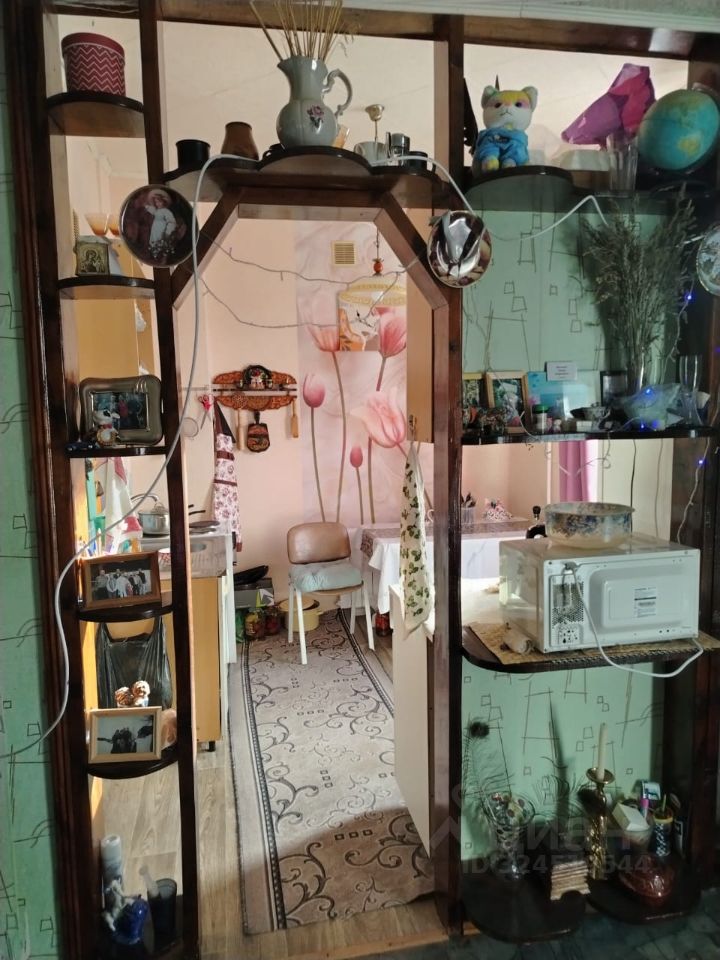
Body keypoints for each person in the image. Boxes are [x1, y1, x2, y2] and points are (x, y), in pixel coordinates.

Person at [144, 188, 177, 261]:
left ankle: (160, 256)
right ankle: (154, 254)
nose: (157, 204)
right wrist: (146, 206)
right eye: (156, 202)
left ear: (163, 202)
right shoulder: (157, 211)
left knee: (160, 242)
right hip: (155, 230)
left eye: (159, 202)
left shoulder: (166, 211)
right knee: (154, 241)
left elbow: (171, 222)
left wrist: (168, 232)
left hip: (161, 230)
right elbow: (153, 211)